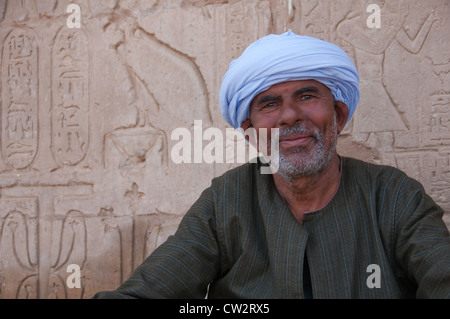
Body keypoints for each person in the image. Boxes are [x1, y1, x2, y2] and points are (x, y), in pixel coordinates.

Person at [93, 32, 450, 299]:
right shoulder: (226, 201)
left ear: (338, 115)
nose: (290, 116)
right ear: (250, 133)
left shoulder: (394, 196)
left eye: (307, 96)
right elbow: (153, 287)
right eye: (269, 103)